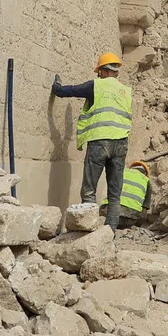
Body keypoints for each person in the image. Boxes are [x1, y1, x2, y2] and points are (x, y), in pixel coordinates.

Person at [52, 52, 132, 231]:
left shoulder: (96, 86)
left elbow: (68, 91)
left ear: (103, 71)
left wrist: (57, 87)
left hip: (99, 141)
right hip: (121, 143)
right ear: (116, 72)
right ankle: (110, 236)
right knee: (114, 193)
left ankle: (87, 230)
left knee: (89, 190)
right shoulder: (126, 91)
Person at [101, 160, 152, 226]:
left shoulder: (121, 171)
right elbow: (144, 210)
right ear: (145, 173)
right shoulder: (146, 180)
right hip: (129, 218)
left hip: (108, 212)